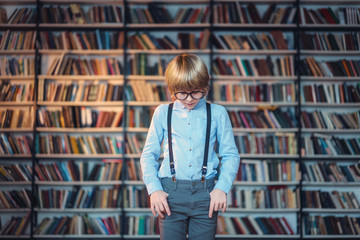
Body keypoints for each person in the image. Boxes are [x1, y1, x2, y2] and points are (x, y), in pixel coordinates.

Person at [140, 54, 240, 240]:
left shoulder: (218, 113)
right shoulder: (163, 112)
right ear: (172, 90)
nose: (188, 99)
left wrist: (221, 188)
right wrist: (154, 190)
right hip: (170, 194)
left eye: (196, 92)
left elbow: (231, 155)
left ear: (206, 87)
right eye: (181, 93)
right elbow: (148, 155)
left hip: (206, 194)